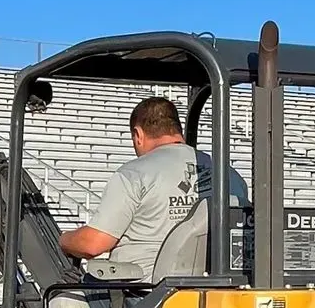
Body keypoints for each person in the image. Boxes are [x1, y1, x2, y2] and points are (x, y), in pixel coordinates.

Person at [59, 97, 205, 281]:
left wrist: (64, 240)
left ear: (138, 135)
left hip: (142, 294)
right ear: (178, 130)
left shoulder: (135, 174)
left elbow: (93, 244)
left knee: (62, 299)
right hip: (209, 292)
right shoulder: (228, 175)